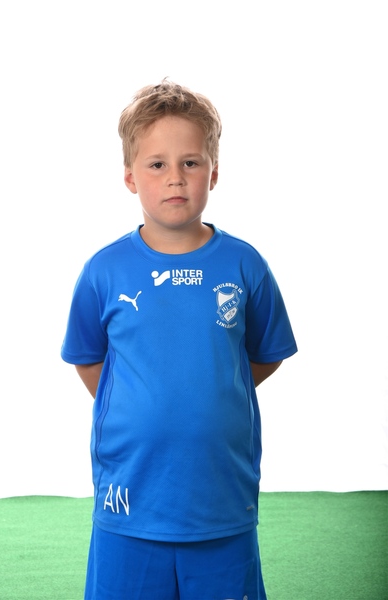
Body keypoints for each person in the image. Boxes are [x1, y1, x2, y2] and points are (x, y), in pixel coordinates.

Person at [61, 80, 298, 600]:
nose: (175, 177)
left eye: (190, 162)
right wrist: (140, 403)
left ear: (214, 171)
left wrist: (211, 391)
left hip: (220, 498)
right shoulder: (104, 271)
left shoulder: (244, 265)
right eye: (157, 164)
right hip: (130, 496)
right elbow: (89, 361)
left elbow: (263, 356)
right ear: (130, 176)